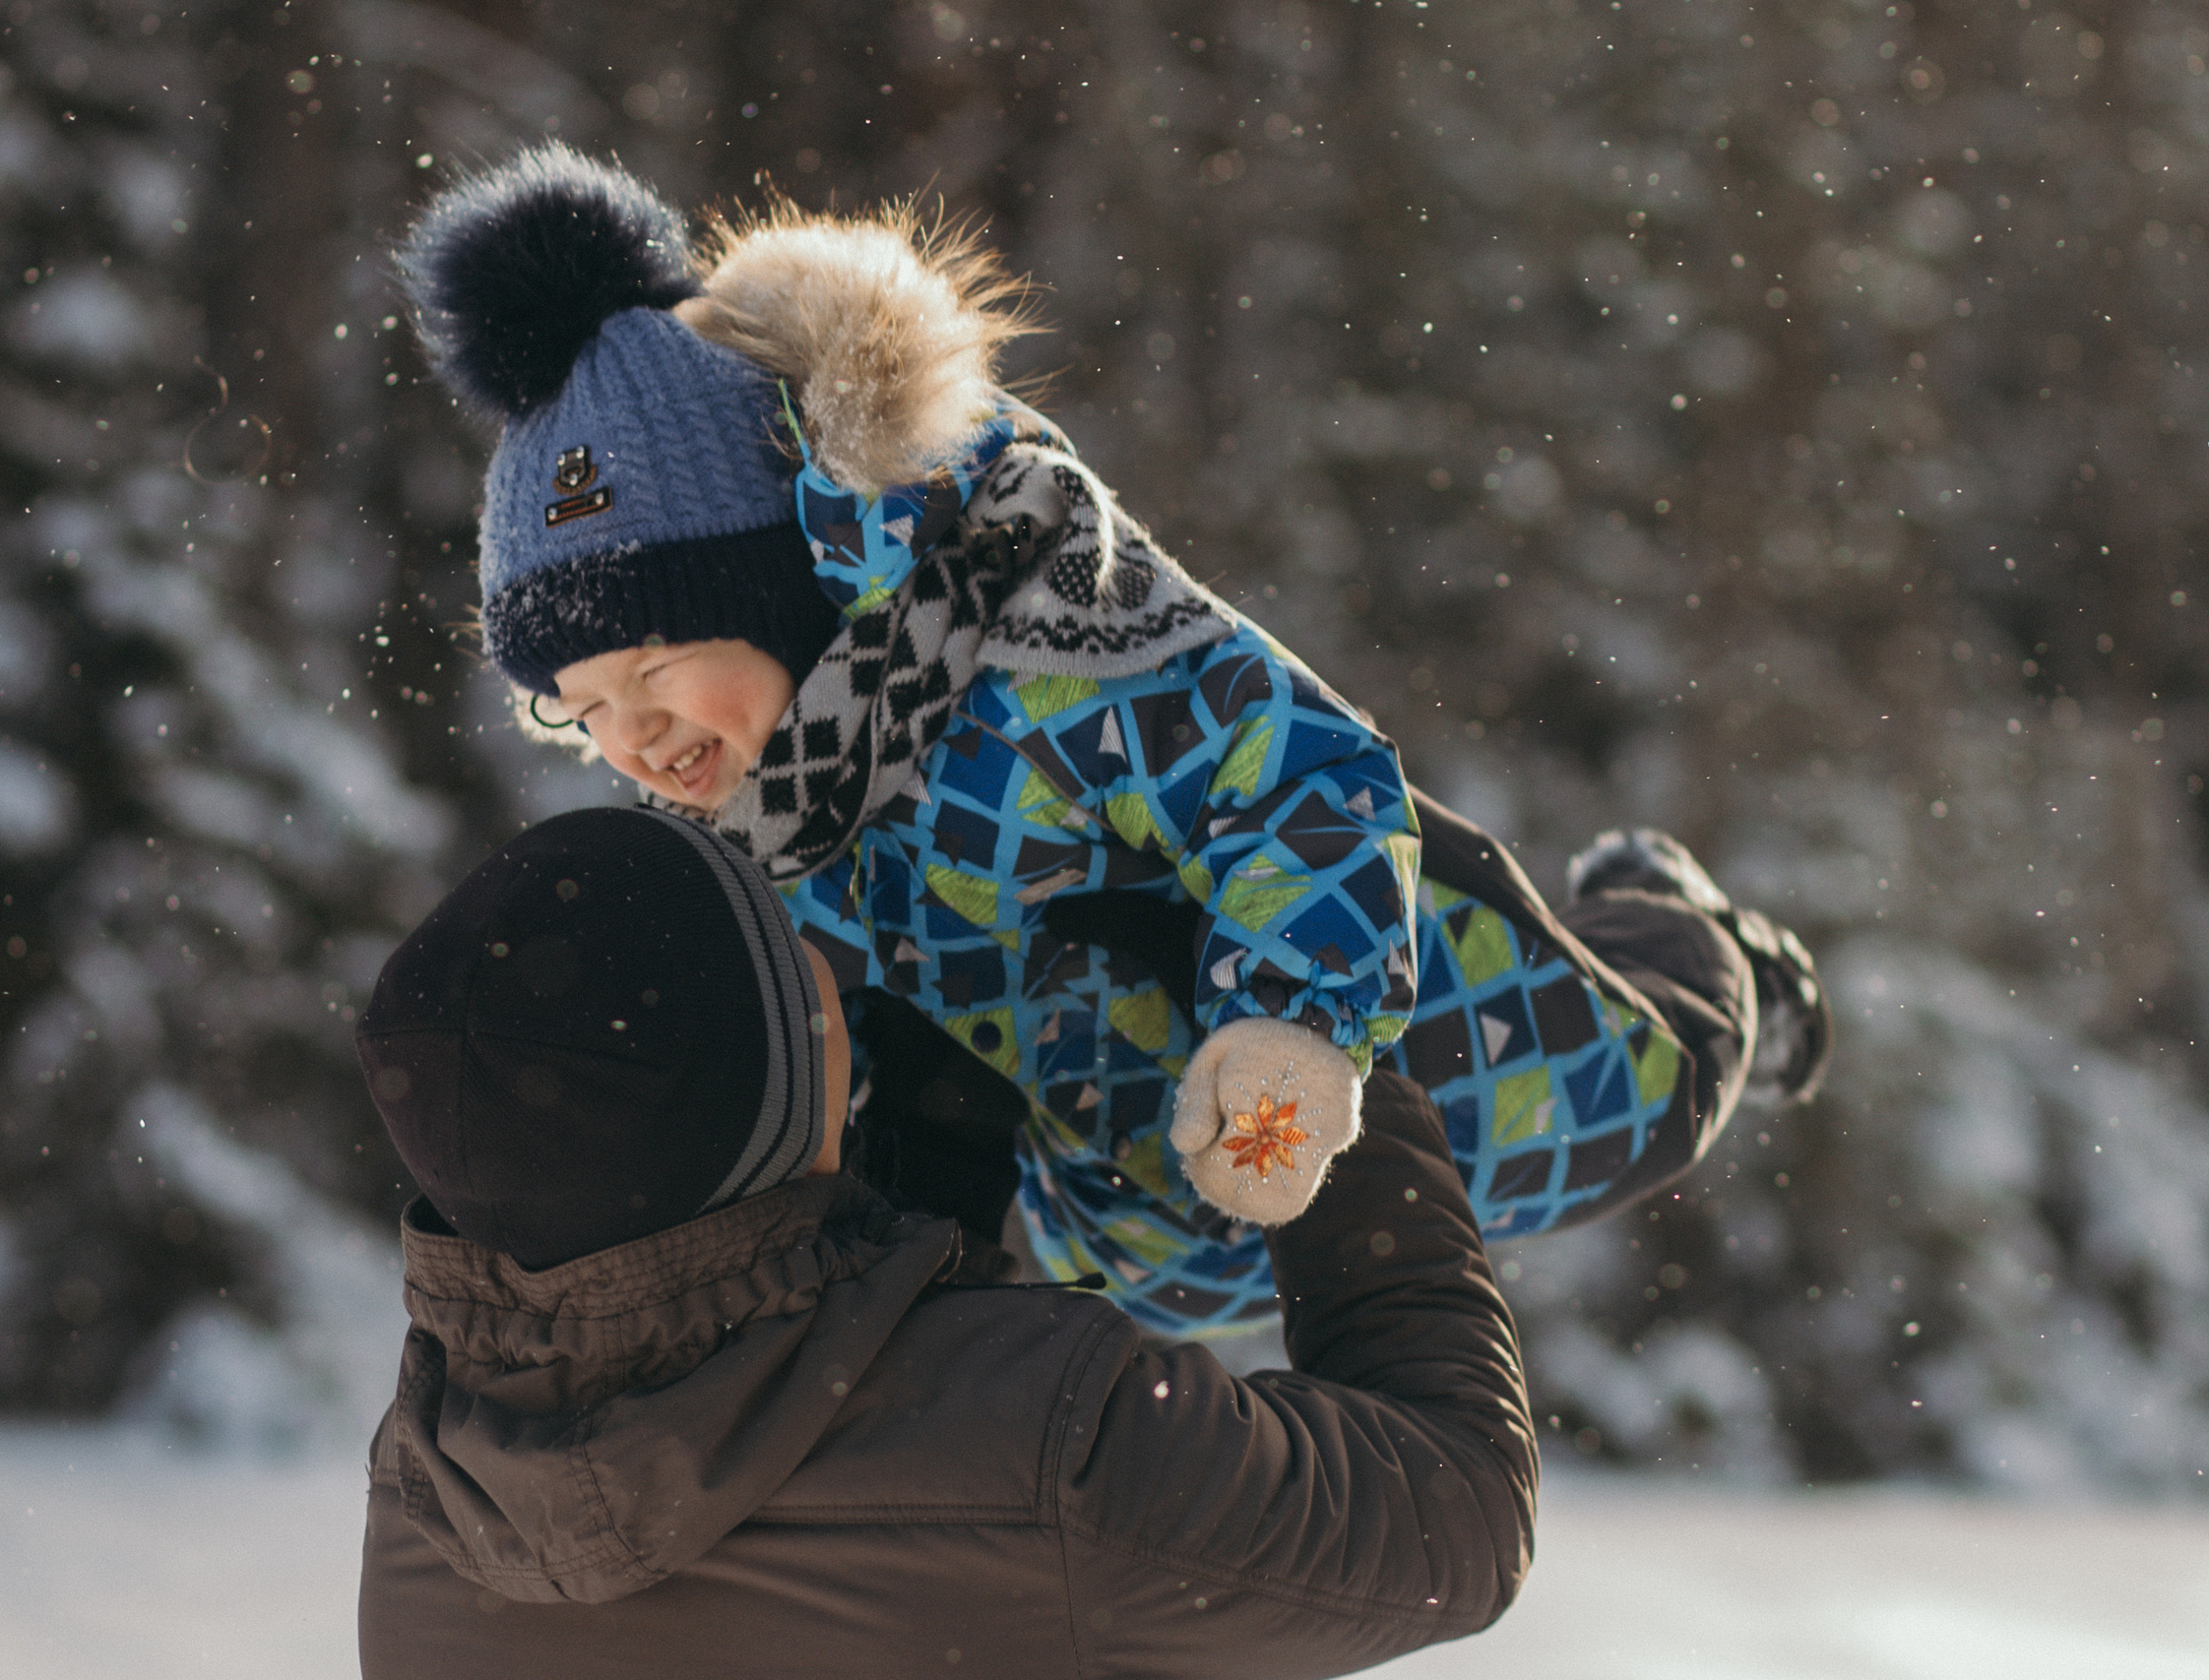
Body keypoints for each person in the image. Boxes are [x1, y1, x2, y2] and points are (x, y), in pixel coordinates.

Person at [392, 144, 1830, 1338]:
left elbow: (1300, 776)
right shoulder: (745, 822)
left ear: (770, 587)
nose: (632, 736)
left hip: (1409, 1026)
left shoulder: (1031, 624)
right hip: (1129, 1209)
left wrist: (1291, 1026)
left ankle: (1690, 928)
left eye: (656, 666)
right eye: (580, 708)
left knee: (1657, 1092)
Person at [352, 805, 1538, 1679]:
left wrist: (933, 1157)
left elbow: (856, 1491)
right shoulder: (1054, 1449)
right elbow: (1461, 1512)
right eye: (798, 976)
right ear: (779, 1079)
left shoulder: (435, 1496)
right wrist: (1307, 1078)